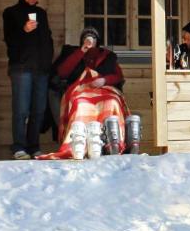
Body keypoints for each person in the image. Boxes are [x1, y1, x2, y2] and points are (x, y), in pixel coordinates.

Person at [36, 27, 128, 159]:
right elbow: (62, 72)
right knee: (80, 104)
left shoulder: (107, 56)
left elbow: (118, 76)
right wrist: (81, 51)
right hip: (80, 90)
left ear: (98, 41)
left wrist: (104, 80)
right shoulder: (73, 53)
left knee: (112, 102)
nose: (90, 40)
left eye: (93, 38)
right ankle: (79, 142)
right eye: (86, 37)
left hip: (104, 89)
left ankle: (111, 142)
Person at [2, 0, 54, 160]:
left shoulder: (42, 13)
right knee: (21, 109)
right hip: (21, 67)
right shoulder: (10, 13)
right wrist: (24, 30)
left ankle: (34, 146)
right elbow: (9, 39)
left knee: (38, 110)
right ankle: (18, 147)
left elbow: (47, 40)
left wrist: (48, 64)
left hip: (41, 69)